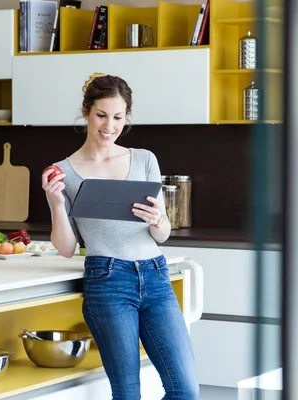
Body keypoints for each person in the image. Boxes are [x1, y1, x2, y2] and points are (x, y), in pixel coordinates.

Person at [41, 73, 199, 400]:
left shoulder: (144, 159)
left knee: (184, 389)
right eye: (101, 115)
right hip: (107, 281)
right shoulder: (62, 172)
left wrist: (158, 219)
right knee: (127, 394)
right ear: (86, 112)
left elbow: (163, 234)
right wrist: (57, 202)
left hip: (155, 276)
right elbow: (68, 248)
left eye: (118, 117)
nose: (109, 126)